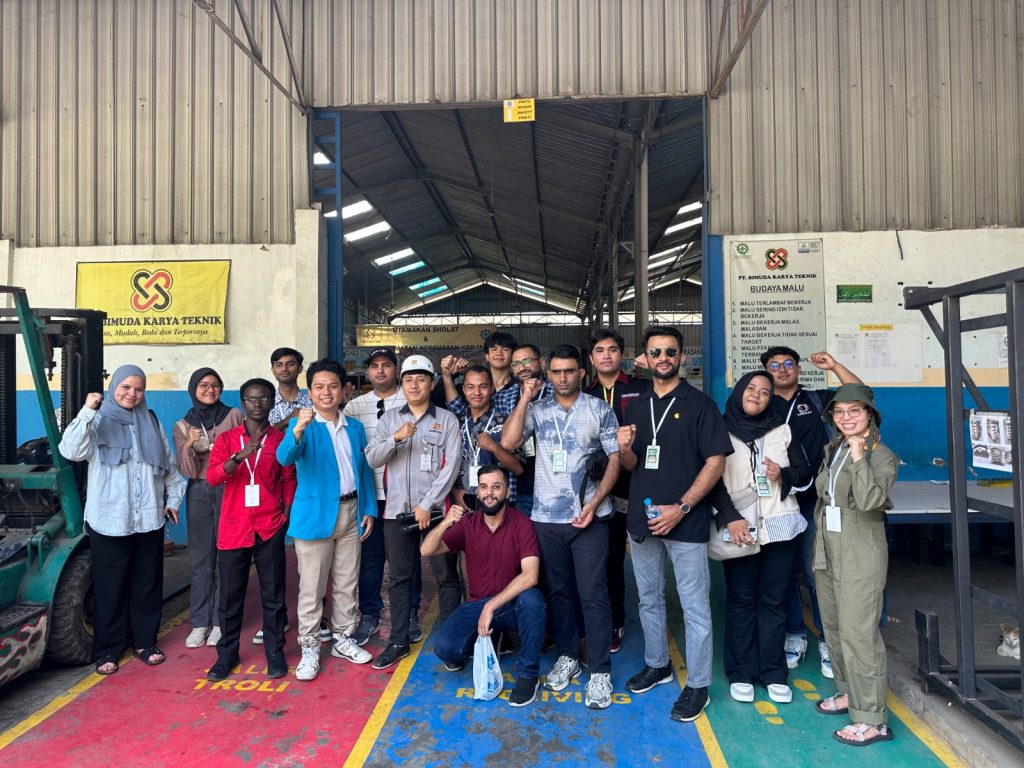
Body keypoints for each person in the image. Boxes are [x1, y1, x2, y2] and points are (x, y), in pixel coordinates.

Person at [616, 325, 745, 722]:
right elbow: (633, 464)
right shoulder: (636, 405)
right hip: (643, 519)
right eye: (655, 352)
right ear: (646, 358)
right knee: (648, 599)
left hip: (685, 522)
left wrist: (682, 507)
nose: (663, 359)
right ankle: (657, 664)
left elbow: (716, 462)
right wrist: (623, 449)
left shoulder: (700, 404)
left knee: (694, 606)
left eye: (670, 352)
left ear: (682, 357)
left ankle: (698, 686)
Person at [501, 344, 621, 710]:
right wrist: (525, 398)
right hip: (546, 518)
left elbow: (615, 460)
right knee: (559, 592)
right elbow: (508, 442)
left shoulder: (599, 409)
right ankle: (568, 654)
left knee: (593, 592)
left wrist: (594, 504)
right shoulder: (538, 410)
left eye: (569, 371)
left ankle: (600, 670)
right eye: (556, 372)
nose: (563, 377)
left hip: (590, 519)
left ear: (581, 373)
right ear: (547, 374)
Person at [58, 365, 186, 675]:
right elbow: (70, 451)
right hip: (110, 518)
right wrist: (88, 410)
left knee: (146, 584)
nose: (132, 394)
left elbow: (168, 467)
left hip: (148, 518)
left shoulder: (150, 421)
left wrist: (172, 500)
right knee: (110, 587)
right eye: (126, 387)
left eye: (138, 389)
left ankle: (144, 642)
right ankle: (108, 648)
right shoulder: (97, 420)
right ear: (113, 386)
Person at [762, 346, 862, 677]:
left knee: (816, 570)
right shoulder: (763, 403)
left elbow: (860, 394)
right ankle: (795, 633)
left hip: (815, 499)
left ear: (798, 368)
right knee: (784, 572)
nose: (782, 369)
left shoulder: (818, 400)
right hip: (777, 499)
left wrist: (834, 365)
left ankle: (827, 640)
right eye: (774, 365)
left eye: (788, 363)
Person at [276, 359, 378, 681]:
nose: (326, 392)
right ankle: (309, 646)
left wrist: (368, 508)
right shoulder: (304, 425)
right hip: (316, 515)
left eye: (333, 386)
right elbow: (284, 458)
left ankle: (342, 639)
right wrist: (297, 429)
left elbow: (363, 471)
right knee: (312, 585)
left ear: (344, 390)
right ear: (309, 392)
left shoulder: (354, 428)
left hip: (351, 511)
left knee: (347, 581)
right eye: (319, 387)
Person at [717, 371, 812, 705]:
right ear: (739, 392)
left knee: (773, 601)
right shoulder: (720, 429)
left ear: (771, 399)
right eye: (751, 388)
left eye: (764, 392)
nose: (756, 395)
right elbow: (711, 479)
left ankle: (773, 672)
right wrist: (729, 517)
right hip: (740, 527)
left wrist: (782, 474)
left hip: (780, 527)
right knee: (741, 600)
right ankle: (740, 672)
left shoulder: (782, 430)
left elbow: (805, 475)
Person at [813, 384, 898, 747]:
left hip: (861, 553)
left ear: (869, 415)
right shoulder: (834, 449)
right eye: (839, 411)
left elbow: (869, 502)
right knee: (834, 627)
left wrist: (861, 457)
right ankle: (849, 692)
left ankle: (872, 719)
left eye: (855, 411)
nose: (846, 417)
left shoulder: (881, 456)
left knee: (860, 634)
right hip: (829, 549)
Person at [366, 353, 463, 670]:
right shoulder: (389, 420)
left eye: (421, 379)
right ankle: (398, 640)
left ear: (431, 384)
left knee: (446, 575)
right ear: (402, 384)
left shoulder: (447, 420)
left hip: (436, 514)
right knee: (399, 578)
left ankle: (451, 641)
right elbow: (372, 458)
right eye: (409, 380)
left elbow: (451, 466)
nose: (415, 385)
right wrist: (395, 438)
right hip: (397, 513)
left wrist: (428, 504)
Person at [421, 465, 547, 707]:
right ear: (477, 492)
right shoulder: (468, 523)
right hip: (477, 604)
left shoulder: (522, 523)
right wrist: (446, 522)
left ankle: (528, 676)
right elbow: (426, 550)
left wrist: (491, 606)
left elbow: (531, 576)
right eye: (484, 487)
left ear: (507, 491)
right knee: (446, 650)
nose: (489, 493)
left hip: (511, 605)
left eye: (496, 487)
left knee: (532, 599)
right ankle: (494, 637)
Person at [205, 378, 296, 681]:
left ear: (272, 402)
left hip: (269, 526)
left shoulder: (279, 440)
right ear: (243, 402)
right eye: (251, 399)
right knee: (230, 598)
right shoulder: (227, 439)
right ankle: (227, 654)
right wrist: (237, 458)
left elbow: (288, 478)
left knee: (274, 595)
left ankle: (274, 651)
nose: (258, 404)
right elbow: (213, 477)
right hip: (235, 527)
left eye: (264, 398)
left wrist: (284, 515)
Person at [343, 348, 425, 647]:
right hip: (371, 495)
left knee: (407, 559)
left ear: (396, 370)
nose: (380, 371)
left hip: (403, 496)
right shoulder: (354, 407)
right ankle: (370, 614)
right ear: (368, 372)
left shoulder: (412, 400)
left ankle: (411, 612)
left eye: (386, 365)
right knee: (370, 558)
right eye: (374, 366)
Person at [584, 328, 649, 653]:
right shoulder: (585, 395)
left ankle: (656, 627)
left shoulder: (641, 387)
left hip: (639, 486)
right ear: (591, 358)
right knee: (608, 561)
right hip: (601, 489)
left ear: (621, 355)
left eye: (612, 349)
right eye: (600, 350)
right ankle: (614, 622)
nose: (606, 355)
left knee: (649, 561)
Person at [174, 367, 244, 649]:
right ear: (193, 388)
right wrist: (190, 445)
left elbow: (243, 454)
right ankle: (200, 622)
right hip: (200, 492)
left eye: (215, 385)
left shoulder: (234, 416)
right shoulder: (182, 425)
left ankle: (220, 621)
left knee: (226, 557)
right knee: (201, 559)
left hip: (230, 489)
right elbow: (188, 470)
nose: (210, 390)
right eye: (203, 385)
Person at [444, 364, 523, 508]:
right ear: (464, 389)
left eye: (483, 386)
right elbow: (446, 461)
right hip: (462, 502)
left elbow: (518, 469)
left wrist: (494, 447)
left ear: (492, 388)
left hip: (495, 503)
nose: (477, 392)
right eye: (470, 387)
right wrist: (454, 490)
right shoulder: (456, 421)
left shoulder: (504, 423)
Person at [507, 343, 553, 517]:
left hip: (553, 487)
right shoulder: (505, 396)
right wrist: (525, 398)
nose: (522, 368)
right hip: (519, 489)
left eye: (527, 361)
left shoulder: (557, 392)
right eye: (516, 364)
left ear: (541, 363)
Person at [269, 347, 314, 431]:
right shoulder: (266, 402)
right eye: (278, 365)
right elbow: (260, 436)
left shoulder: (312, 401)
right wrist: (287, 420)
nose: (284, 369)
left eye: (290, 364)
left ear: (300, 368)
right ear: (273, 370)